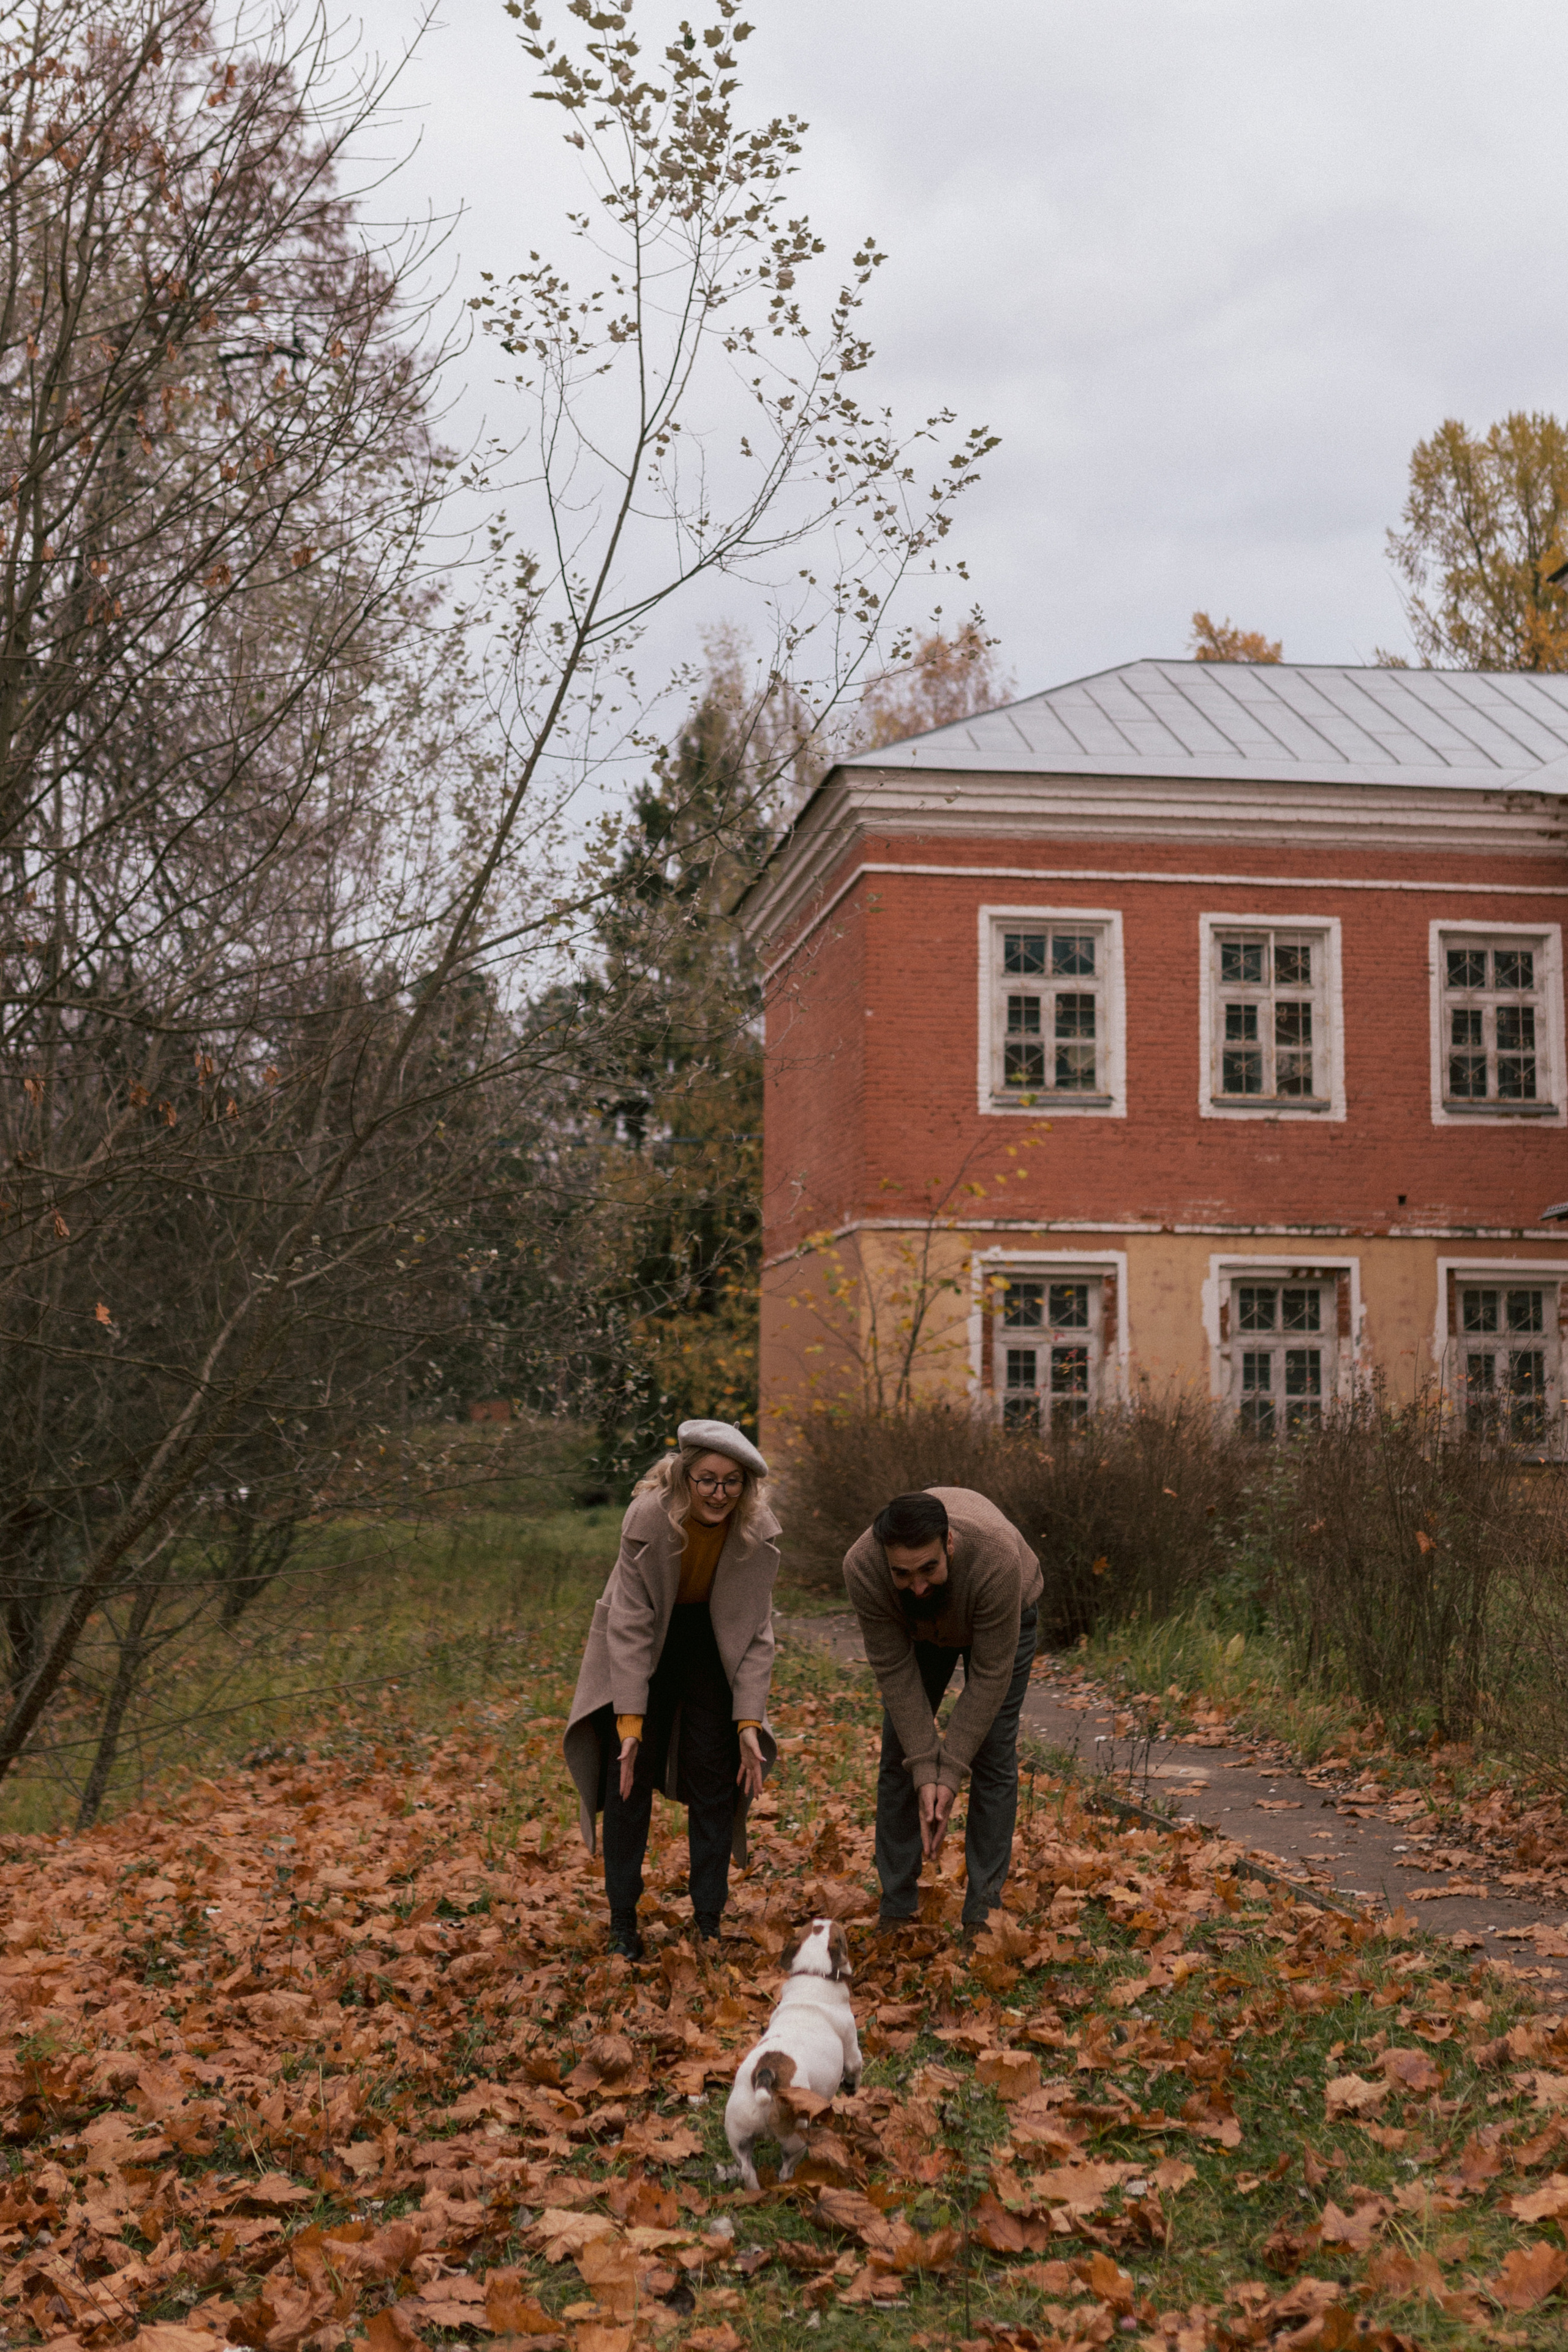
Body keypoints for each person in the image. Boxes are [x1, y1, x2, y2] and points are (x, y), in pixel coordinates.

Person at [564, 1419, 780, 1959]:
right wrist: (630, 1725)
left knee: (716, 1778)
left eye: (732, 1482)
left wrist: (749, 1723)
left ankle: (708, 1921)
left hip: (712, 1646)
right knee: (626, 1780)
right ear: (685, 1477)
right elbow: (631, 1625)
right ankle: (622, 1922)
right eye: (707, 1479)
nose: (718, 1494)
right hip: (645, 1644)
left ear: (746, 1488)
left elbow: (756, 1633)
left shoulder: (756, 1529)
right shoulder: (648, 1518)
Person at [842, 1487, 1041, 1935]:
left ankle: (983, 1915)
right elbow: (893, 1668)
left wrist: (948, 1773)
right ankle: (896, 1908)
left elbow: (990, 1677)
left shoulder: (995, 1558)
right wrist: (924, 1768)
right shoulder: (863, 1567)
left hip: (1005, 1615)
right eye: (902, 1573)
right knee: (900, 1753)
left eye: (928, 1568)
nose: (917, 1584)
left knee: (992, 1753)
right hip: (919, 1632)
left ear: (949, 1542)